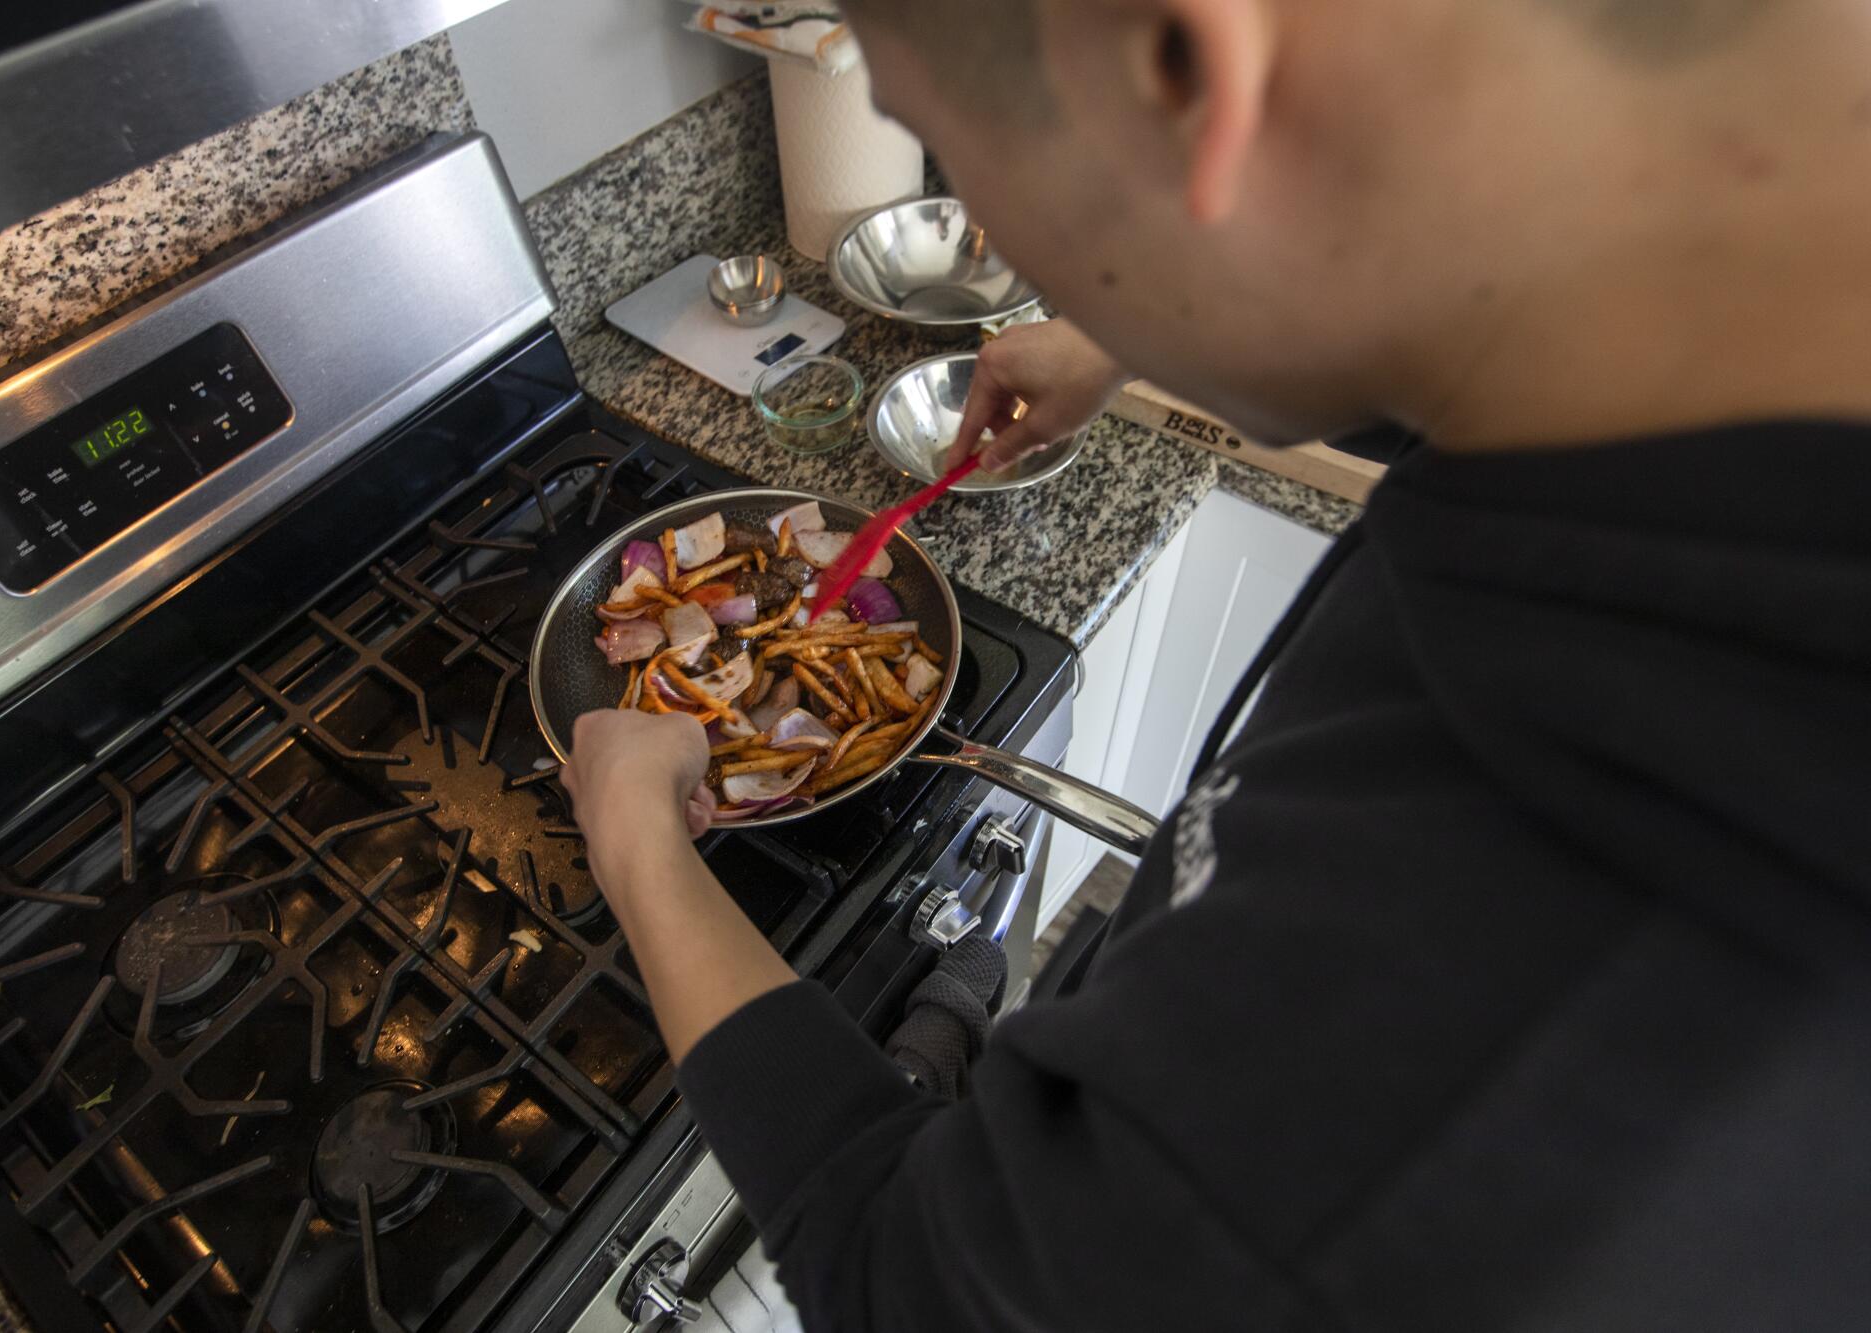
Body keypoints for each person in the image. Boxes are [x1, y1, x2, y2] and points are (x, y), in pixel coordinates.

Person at [560, 0, 1871, 1327]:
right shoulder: (1708, 317)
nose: (1005, 241)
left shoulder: (1573, 944)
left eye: (940, 145)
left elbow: (909, 1278)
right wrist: (1137, 319)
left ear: (1185, 67)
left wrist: (641, 851)